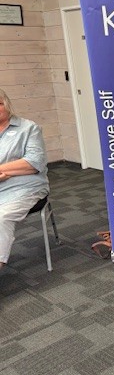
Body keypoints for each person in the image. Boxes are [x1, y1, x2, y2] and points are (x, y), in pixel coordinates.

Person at [0, 88, 50, 270]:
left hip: (25, 188)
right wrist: (12, 168)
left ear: (7, 104)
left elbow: (34, 163)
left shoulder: (28, 128)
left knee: (1, 217)